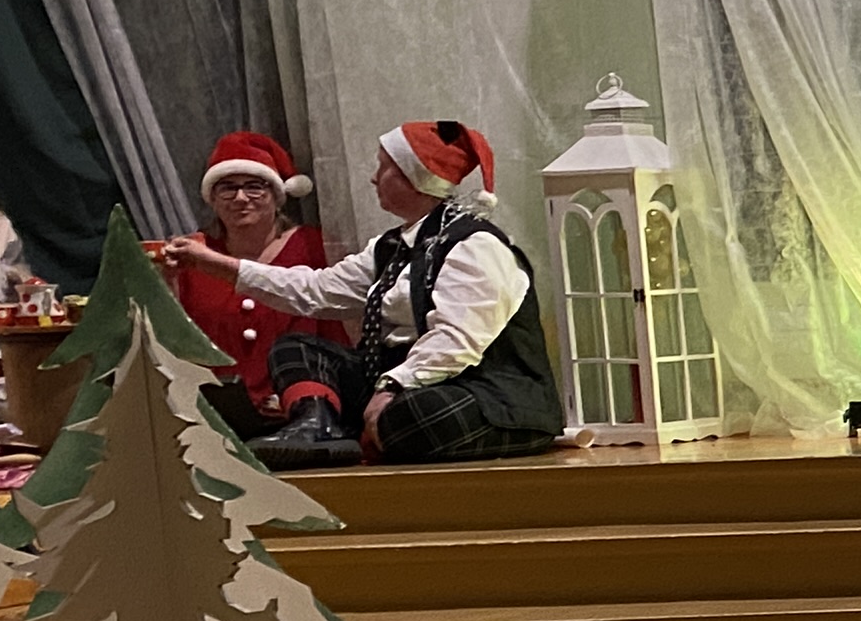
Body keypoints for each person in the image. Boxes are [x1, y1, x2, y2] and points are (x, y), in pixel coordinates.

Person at [156, 119, 561, 471]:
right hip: (402, 384)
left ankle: (370, 433)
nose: (373, 178)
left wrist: (392, 387)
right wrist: (214, 264)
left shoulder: (475, 245)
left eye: (383, 168)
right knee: (296, 347)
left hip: (483, 391)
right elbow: (315, 291)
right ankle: (318, 430)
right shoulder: (390, 247)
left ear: (413, 178)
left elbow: (457, 340)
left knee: (415, 414)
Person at [158, 132, 345, 420]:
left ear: (277, 196)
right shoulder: (193, 255)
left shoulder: (315, 247)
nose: (241, 198)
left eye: (254, 187)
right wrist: (168, 279)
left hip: (302, 412)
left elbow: (338, 334)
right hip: (215, 414)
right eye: (227, 188)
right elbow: (173, 338)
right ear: (212, 199)